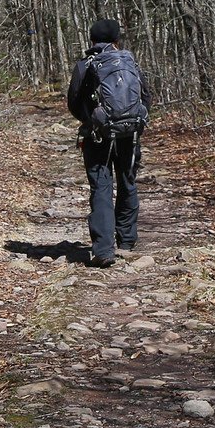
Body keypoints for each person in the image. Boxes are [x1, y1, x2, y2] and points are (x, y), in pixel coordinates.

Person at [66, 17, 150, 267]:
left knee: (101, 186)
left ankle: (103, 250)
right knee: (127, 180)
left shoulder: (85, 65)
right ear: (116, 40)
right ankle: (126, 240)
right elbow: (146, 96)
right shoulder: (129, 62)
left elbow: (73, 103)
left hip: (98, 135)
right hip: (130, 134)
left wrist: (92, 120)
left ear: (91, 40)